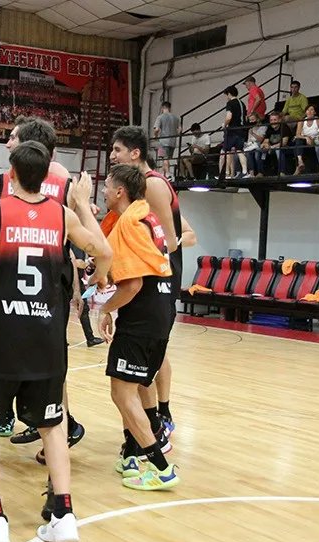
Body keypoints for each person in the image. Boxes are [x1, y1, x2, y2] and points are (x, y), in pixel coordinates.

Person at [0, 140, 112, 542]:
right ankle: (64, 515)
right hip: (46, 337)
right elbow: (104, 252)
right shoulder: (62, 215)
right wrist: (96, 276)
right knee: (52, 426)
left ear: (11, 174)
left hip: (1, 335)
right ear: (47, 176)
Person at [0, 116, 96, 445]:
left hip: (31, 282)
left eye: (13, 137)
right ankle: (48, 420)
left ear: (28, 146)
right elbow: (74, 241)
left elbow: (77, 242)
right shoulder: (64, 181)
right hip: (47, 278)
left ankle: (55, 423)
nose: (8, 143)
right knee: (48, 356)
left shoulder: (7, 184)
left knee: (30, 354)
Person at [98, 164, 181, 491]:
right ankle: (132, 453)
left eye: (107, 186)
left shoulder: (128, 223)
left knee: (122, 392)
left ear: (120, 191)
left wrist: (105, 309)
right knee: (131, 389)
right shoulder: (147, 216)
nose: (103, 191)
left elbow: (132, 285)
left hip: (142, 313)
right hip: (162, 308)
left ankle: (161, 467)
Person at [110, 126, 195, 441]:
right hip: (148, 281)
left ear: (135, 153)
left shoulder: (153, 185)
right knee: (148, 356)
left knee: (150, 355)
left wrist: (138, 259)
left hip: (158, 283)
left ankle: (159, 418)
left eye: (117, 150)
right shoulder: (138, 188)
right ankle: (151, 423)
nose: (112, 156)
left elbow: (170, 240)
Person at [221, 86, 248, 178]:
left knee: (227, 151)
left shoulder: (230, 103)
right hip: (242, 130)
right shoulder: (242, 103)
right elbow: (245, 117)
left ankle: (227, 173)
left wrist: (224, 125)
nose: (226, 97)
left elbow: (229, 116)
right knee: (240, 151)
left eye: (226, 95)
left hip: (232, 130)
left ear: (229, 93)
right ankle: (245, 171)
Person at [152, 101, 180, 179]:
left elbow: (156, 129)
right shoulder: (176, 118)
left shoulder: (160, 117)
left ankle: (168, 174)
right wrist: (175, 134)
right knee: (166, 159)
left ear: (162, 108)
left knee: (164, 158)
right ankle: (161, 174)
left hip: (163, 141)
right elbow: (180, 129)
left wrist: (155, 136)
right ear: (170, 108)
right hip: (173, 141)